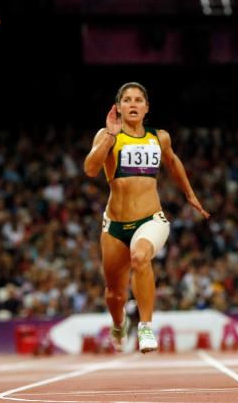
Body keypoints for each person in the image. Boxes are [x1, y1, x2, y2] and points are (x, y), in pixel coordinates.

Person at [84, 82, 210, 353]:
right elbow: (90, 169)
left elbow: (173, 162)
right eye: (127, 100)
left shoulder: (159, 137)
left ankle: (145, 326)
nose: (132, 104)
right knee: (114, 294)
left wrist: (189, 194)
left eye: (138, 100)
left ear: (146, 107)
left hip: (151, 220)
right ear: (118, 107)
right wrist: (108, 135)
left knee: (140, 257)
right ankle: (119, 324)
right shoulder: (108, 136)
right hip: (115, 225)